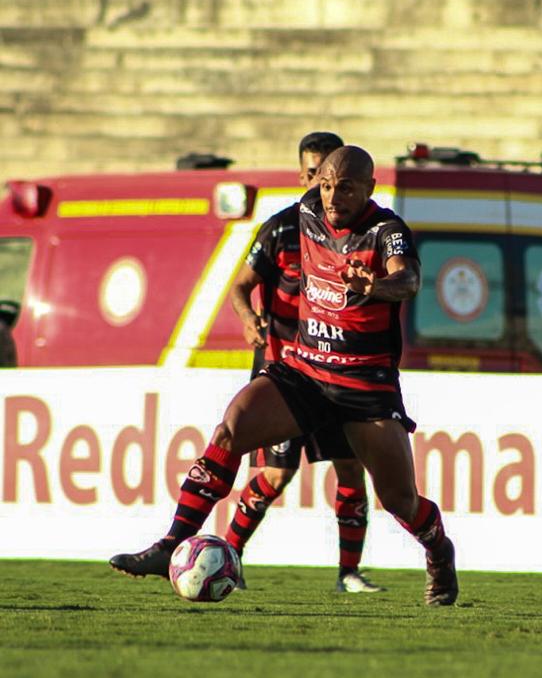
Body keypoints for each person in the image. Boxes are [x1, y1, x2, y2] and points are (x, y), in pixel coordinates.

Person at [111, 145, 458, 606]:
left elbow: (409, 279)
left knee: (399, 501)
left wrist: (375, 286)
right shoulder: (305, 212)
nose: (332, 197)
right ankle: (172, 543)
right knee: (231, 428)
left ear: (369, 189)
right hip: (305, 371)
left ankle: (439, 551)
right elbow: (248, 276)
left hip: (363, 384)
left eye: (346, 188)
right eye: (327, 185)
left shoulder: (386, 231)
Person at [225, 131, 381, 594]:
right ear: (303, 176)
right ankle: (229, 556)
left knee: (350, 468)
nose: (322, 186)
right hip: (286, 371)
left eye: (332, 178)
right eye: (315, 175)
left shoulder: (360, 233)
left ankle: (348, 573)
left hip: (336, 368)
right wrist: (250, 319)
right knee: (276, 474)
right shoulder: (280, 229)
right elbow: (240, 286)